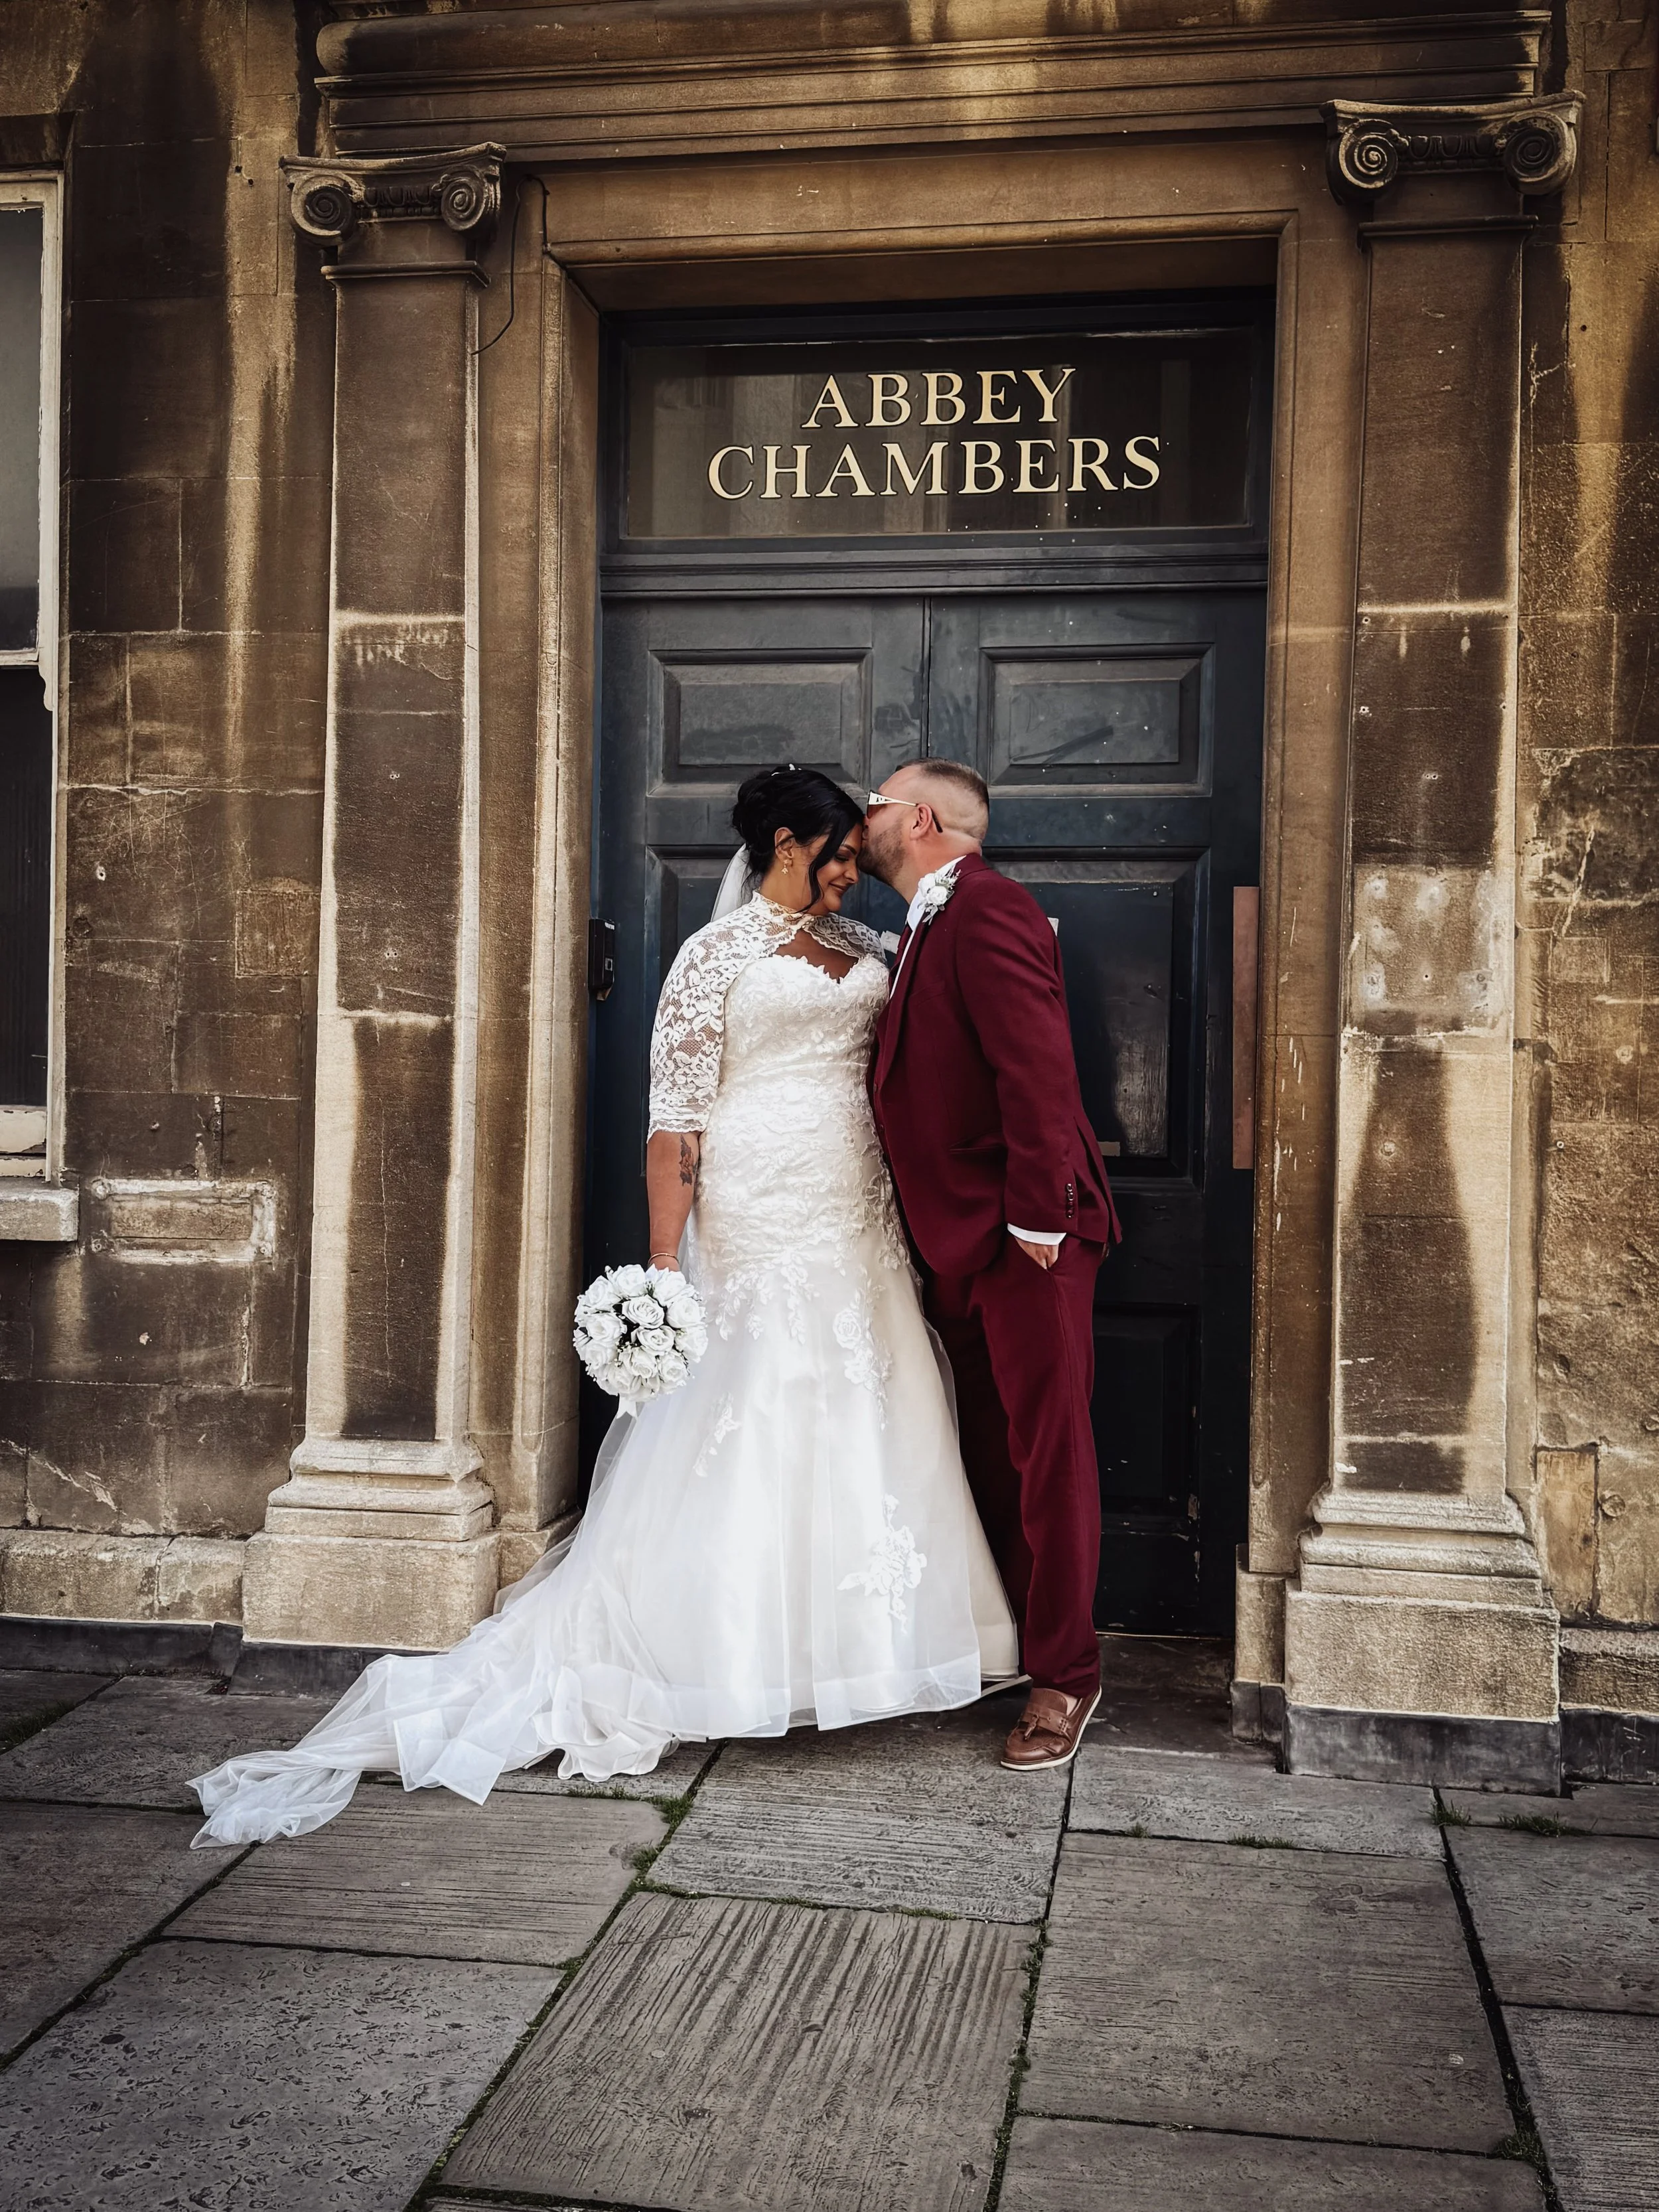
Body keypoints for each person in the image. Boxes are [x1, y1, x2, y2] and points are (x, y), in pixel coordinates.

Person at [190, 766, 1017, 1846]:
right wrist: (666, 1268)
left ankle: (861, 1650)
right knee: (751, 1411)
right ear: (782, 844)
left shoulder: (874, 953)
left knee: (871, 1402)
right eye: (839, 857)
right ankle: (724, 1655)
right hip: (755, 1212)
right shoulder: (710, 959)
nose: (856, 876)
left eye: (861, 858)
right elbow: (676, 1122)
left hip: (855, 1209)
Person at [862, 758, 1119, 1774]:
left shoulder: (991, 906)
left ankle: (1068, 1678)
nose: (863, 817)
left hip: (1027, 1244)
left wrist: (1039, 1224)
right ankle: (1013, 1644)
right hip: (959, 1246)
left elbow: (1038, 1069)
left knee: (1050, 1461)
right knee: (990, 1456)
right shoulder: (929, 918)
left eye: (876, 803)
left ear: (920, 818)